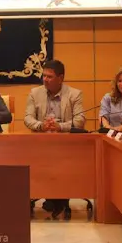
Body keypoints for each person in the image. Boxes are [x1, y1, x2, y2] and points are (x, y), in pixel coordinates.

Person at [24, 59, 84, 219]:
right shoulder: (35, 93)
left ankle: (57, 198)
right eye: (44, 76)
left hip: (66, 145)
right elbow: (28, 118)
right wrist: (41, 126)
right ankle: (53, 198)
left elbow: (79, 121)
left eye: (49, 77)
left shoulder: (74, 94)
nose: (45, 79)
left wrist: (60, 127)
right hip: (40, 144)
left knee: (61, 163)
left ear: (60, 78)